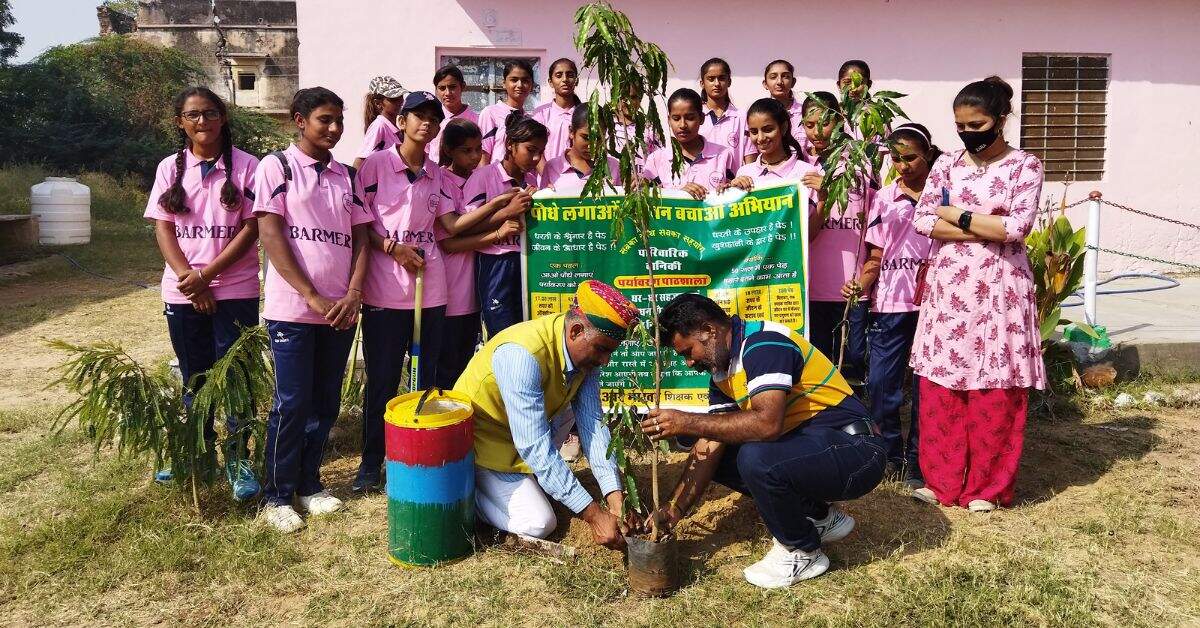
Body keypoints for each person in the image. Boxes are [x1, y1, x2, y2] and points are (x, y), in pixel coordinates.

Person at [640, 294, 886, 589]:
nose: (690, 362)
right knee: (720, 448)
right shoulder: (722, 372)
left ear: (708, 330)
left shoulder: (763, 344)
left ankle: (802, 550)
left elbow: (767, 424)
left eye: (689, 351)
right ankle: (818, 516)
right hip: (820, 446)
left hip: (858, 451)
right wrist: (673, 510)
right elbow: (710, 442)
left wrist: (686, 420)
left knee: (756, 457)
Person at [356, 92, 529, 493]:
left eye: (434, 119)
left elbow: (451, 226)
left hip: (430, 291)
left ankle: (419, 452)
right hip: (384, 290)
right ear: (401, 121)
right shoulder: (376, 166)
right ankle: (370, 462)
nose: (427, 124)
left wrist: (497, 205)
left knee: (427, 379)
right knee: (382, 379)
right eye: (419, 116)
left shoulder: (436, 174)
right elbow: (361, 221)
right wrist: (391, 247)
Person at [909, 77, 1045, 512]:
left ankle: (987, 487)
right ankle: (943, 482)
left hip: (1002, 293)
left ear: (1002, 119)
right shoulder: (947, 163)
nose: (969, 132)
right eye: (960, 125)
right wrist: (983, 223)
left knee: (995, 384)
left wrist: (956, 213)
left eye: (977, 123)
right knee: (941, 384)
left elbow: (1015, 228)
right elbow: (922, 220)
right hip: (949, 291)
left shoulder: (1026, 166)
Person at [254, 87, 373, 533]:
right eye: (325, 119)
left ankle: (309, 483)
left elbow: (361, 239)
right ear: (299, 120)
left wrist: (354, 292)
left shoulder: (347, 175)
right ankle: (277, 494)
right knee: (292, 401)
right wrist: (310, 295)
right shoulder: (277, 167)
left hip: (340, 311)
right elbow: (271, 235)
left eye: (339, 120)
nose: (335, 129)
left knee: (325, 400)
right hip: (294, 311)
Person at [453, 280, 639, 548]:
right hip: (483, 445)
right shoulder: (523, 355)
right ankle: (468, 497)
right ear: (575, 331)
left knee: (571, 416)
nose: (605, 361)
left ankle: (532, 482)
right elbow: (535, 448)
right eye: (602, 349)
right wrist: (594, 515)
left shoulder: (582, 353)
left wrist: (615, 498)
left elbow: (593, 426)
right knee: (538, 522)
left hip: (520, 437)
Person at [144, 86, 261, 501]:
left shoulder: (249, 167)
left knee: (236, 378)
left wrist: (207, 275)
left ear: (223, 117)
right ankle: (196, 454)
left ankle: (237, 458)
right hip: (182, 291)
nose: (202, 122)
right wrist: (188, 279)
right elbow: (163, 226)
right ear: (180, 122)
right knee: (195, 377)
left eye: (210, 113)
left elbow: (251, 227)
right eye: (193, 115)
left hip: (235, 288)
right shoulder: (167, 169)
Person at [842, 123, 939, 489]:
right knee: (882, 384)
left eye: (911, 157)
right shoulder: (884, 198)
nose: (903, 166)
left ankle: (919, 461)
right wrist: (861, 286)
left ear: (928, 154)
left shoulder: (944, 195)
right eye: (896, 159)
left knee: (925, 386)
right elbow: (877, 254)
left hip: (935, 302)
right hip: (891, 302)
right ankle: (889, 455)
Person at [435, 119, 522, 389]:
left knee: (466, 360)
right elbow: (450, 239)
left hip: (476, 284)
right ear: (449, 150)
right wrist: (498, 218)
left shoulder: (481, 177)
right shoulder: (441, 180)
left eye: (477, 150)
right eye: (466, 151)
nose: (474, 157)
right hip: (450, 284)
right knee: (448, 361)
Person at [802, 91, 872, 387]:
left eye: (825, 123)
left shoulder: (861, 165)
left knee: (856, 361)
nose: (817, 132)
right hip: (814, 287)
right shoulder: (799, 168)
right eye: (809, 124)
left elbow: (872, 220)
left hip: (852, 285)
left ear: (840, 121)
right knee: (821, 366)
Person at [464, 110, 546, 335]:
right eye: (530, 150)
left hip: (530, 262)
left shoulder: (532, 182)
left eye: (540, 152)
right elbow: (464, 228)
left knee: (528, 332)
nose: (536, 159)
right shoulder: (482, 178)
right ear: (510, 144)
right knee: (502, 335)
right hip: (495, 264)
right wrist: (507, 213)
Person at [641, 88, 736, 200]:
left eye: (690, 118)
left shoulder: (723, 155)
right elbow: (649, 201)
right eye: (676, 119)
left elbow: (735, 196)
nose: (682, 125)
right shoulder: (656, 160)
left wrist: (730, 188)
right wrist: (680, 196)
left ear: (701, 118)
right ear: (669, 120)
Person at [540, 106, 621, 193]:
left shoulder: (613, 167)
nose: (591, 146)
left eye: (598, 138)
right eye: (586, 138)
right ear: (571, 131)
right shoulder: (552, 167)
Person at [478, 60, 535, 165]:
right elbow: (483, 154)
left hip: (524, 180)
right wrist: (484, 180)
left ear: (531, 85)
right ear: (504, 83)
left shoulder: (531, 119)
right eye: (514, 80)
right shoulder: (490, 113)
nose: (520, 85)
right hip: (496, 178)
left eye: (525, 81)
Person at [697, 57, 752, 164]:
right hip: (699, 180)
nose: (717, 83)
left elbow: (750, 157)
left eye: (721, 78)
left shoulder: (742, 117)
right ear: (702, 83)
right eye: (711, 79)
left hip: (735, 179)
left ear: (729, 81)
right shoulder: (695, 117)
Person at [531, 58, 581, 163]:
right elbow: (535, 151)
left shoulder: (584, 114)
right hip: (547, 177)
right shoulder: (540, 114)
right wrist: (548, 176)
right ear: (550, 82)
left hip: (579, 177)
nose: (565, 79)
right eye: (559, 75)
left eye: (570, 75)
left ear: (576, 81)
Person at [427, 65, 479, 164]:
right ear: (436, 90)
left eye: (452, 87)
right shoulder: (432, 120)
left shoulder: (476, 121)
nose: (447, 93)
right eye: (442, 88)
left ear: (462, 86)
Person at [354, 75, 407, 169]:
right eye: (393, 99)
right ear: (378, 103)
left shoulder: (396, 129)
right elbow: (360, 162)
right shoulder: (379, 126)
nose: (400, 102)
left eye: (401, 97)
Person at [762, 59, 809, 154]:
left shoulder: (806, 112)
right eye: (773, 77)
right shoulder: (759, 114)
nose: (779, 82)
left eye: (785, 76)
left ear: (793, 82)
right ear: (765, 84)